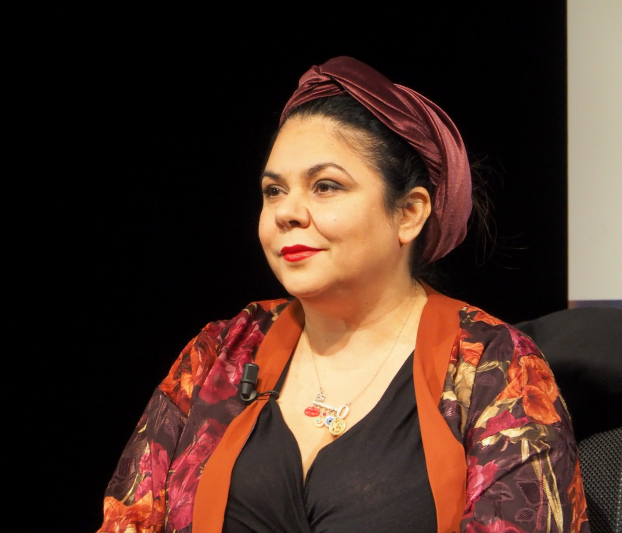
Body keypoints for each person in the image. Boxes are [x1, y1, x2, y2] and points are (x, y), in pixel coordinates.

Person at [98, 57, 589, 533]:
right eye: (274, 191)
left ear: (409, 214)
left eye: (325, 186)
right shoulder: (220, 353)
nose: (287, 212)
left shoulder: (493, 367)